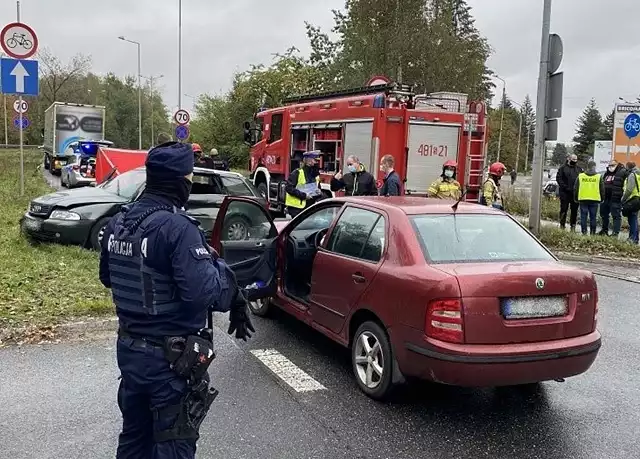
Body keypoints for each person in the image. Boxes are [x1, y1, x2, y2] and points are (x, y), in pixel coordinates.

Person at [99, 141, 255, 458]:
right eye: (189, 177)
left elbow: (108, 277)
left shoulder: (119, 222)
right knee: (174, 444)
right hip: (169, 363)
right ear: (180, 181)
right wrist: (229, 284)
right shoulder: (176, 227)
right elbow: (203, 293)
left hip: (130, 353)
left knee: (134, 439)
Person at [285, 150, 323, 218]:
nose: (317, 163)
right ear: (309, 161)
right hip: (297, 209)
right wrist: (304, 195)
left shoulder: (316, 175)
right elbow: (289, 188)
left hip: (310, 208)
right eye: (315, 160)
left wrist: (319, 193)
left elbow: (318, 189)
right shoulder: (297, 173)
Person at [574, 160, 604, 236]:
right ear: (594, 167)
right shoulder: (598, 177)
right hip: (594, 200)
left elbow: (576, 188)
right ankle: (592, 233)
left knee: (583, 217)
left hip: (583, 199)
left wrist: (576, 198)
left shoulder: (580, 176)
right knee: (593, 217)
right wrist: (602, 198)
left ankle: (584, 232)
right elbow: (602, 189)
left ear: (587, 167)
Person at [599, 159, 628, 237]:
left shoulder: (622, 172)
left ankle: (615, 233)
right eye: (610, 165)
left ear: (616, 165)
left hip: (615, 198)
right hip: (606, 198)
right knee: (604, 215)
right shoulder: (606, 173)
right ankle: (604, 230)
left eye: (612, 165)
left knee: (616, 216)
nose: (611, 167)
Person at [556, 154, 582, 231]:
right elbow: (559, 179)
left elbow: (581, 179)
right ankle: (562, 225)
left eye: (576, 160)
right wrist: (565, 187)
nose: (575, 161)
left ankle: (573, 226)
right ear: (568, 159)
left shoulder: (579, 169)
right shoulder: (562, 168)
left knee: (574, 210)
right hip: (565, 193)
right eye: (573, 159)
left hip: (574, 193)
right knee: (564, 209)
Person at [622, 161, 640, 244]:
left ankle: (632, 238)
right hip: (638, 199)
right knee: (635, 218)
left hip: (632, 199)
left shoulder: (632, 175)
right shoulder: (638, 174)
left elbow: (629, 189)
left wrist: (623, 199)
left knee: (632, 219)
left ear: (628, 167)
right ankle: (635, 238)